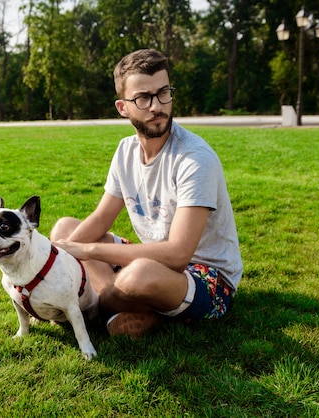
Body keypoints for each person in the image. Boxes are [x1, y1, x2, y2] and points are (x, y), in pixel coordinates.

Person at [50, 49, 243, 337]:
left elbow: (178, 255)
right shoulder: (126, 151)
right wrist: (50, 263)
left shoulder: (195, 158)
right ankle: (132, 309)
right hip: (154, 263)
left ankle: (92, 308)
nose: (157, 106)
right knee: (65, 228)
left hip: (208, 278)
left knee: (139, 274)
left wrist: (87, 251)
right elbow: (102, 219)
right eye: (143, 98)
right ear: (122, 107)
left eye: (163, 92)